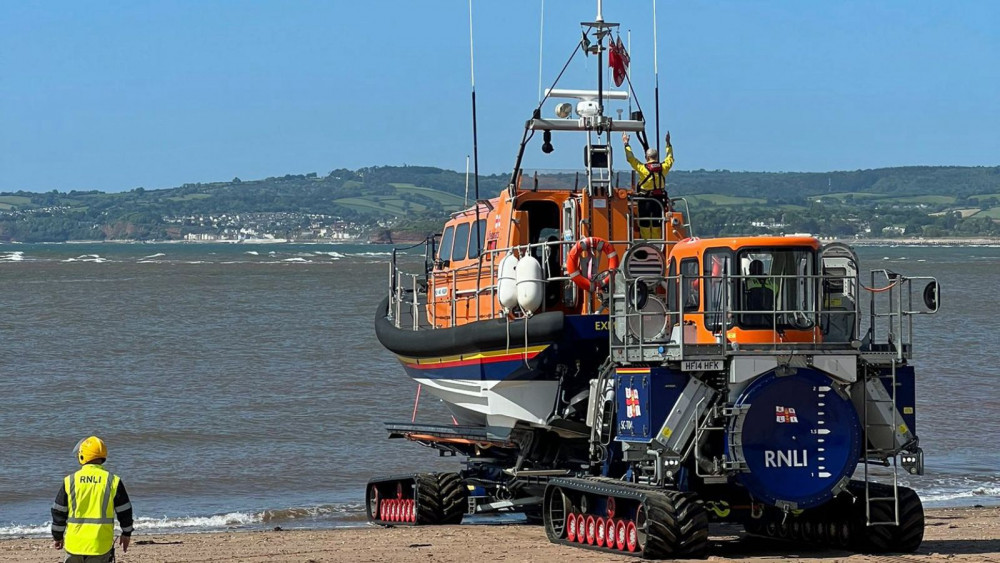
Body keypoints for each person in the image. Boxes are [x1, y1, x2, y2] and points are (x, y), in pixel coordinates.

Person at [51, 436, 133, 563]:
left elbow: (59, 512)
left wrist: (57, 537)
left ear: (82, 456)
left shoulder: (70, 481)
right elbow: (125, 511)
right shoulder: (112, 481)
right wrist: (126, 533)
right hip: (100, 545)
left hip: (74, 544)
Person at [622, 131, 674, 239]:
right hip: (659, 201)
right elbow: (670, 158)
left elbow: (630, 158)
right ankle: (657, 244)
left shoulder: (643, 169)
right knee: (657, 224)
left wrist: (626, 144)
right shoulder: (663, 168)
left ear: (647, 157)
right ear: (656, 157)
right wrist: (668, 144)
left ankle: (646, 243)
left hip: (644, 201)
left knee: (644, 223)